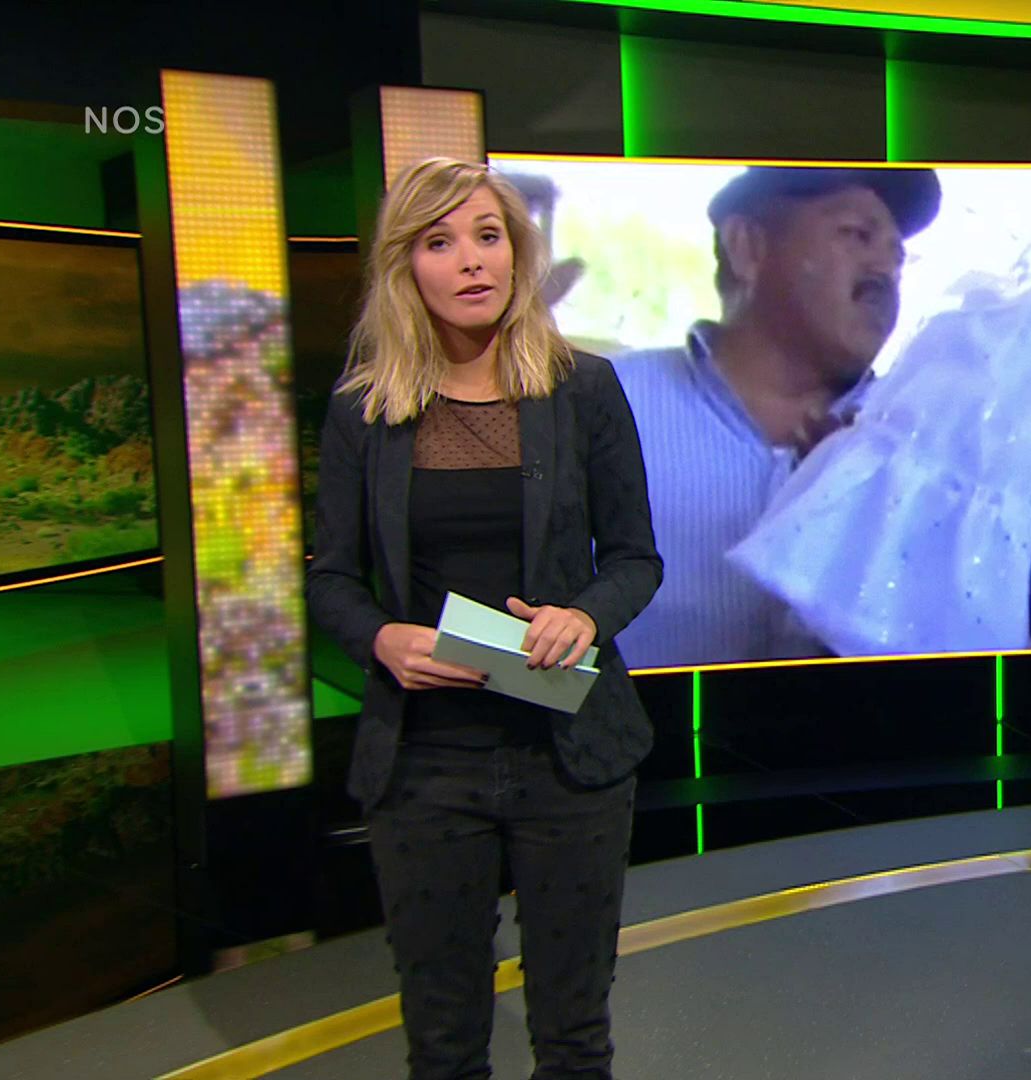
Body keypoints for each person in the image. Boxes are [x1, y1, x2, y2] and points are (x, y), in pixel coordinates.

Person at [306, 157, 661, 1079]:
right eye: (440, 241)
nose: (471, 260)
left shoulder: (584, 389)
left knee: (574, 1037)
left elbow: (635, 558)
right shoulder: (362, 411)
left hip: (567, 755)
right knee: (444, 1042)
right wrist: (380, 637)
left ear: (517, 253)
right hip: (425, 763)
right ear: (405, 268)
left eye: (488, 236)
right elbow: (331, 578)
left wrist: (583, 617)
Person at [611, 166, 941, 667]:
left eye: (897, 256)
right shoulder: (596, 407)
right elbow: (496, 636)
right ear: (748, 247)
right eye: (857, 235)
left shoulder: (926, 448)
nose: (885, 270)